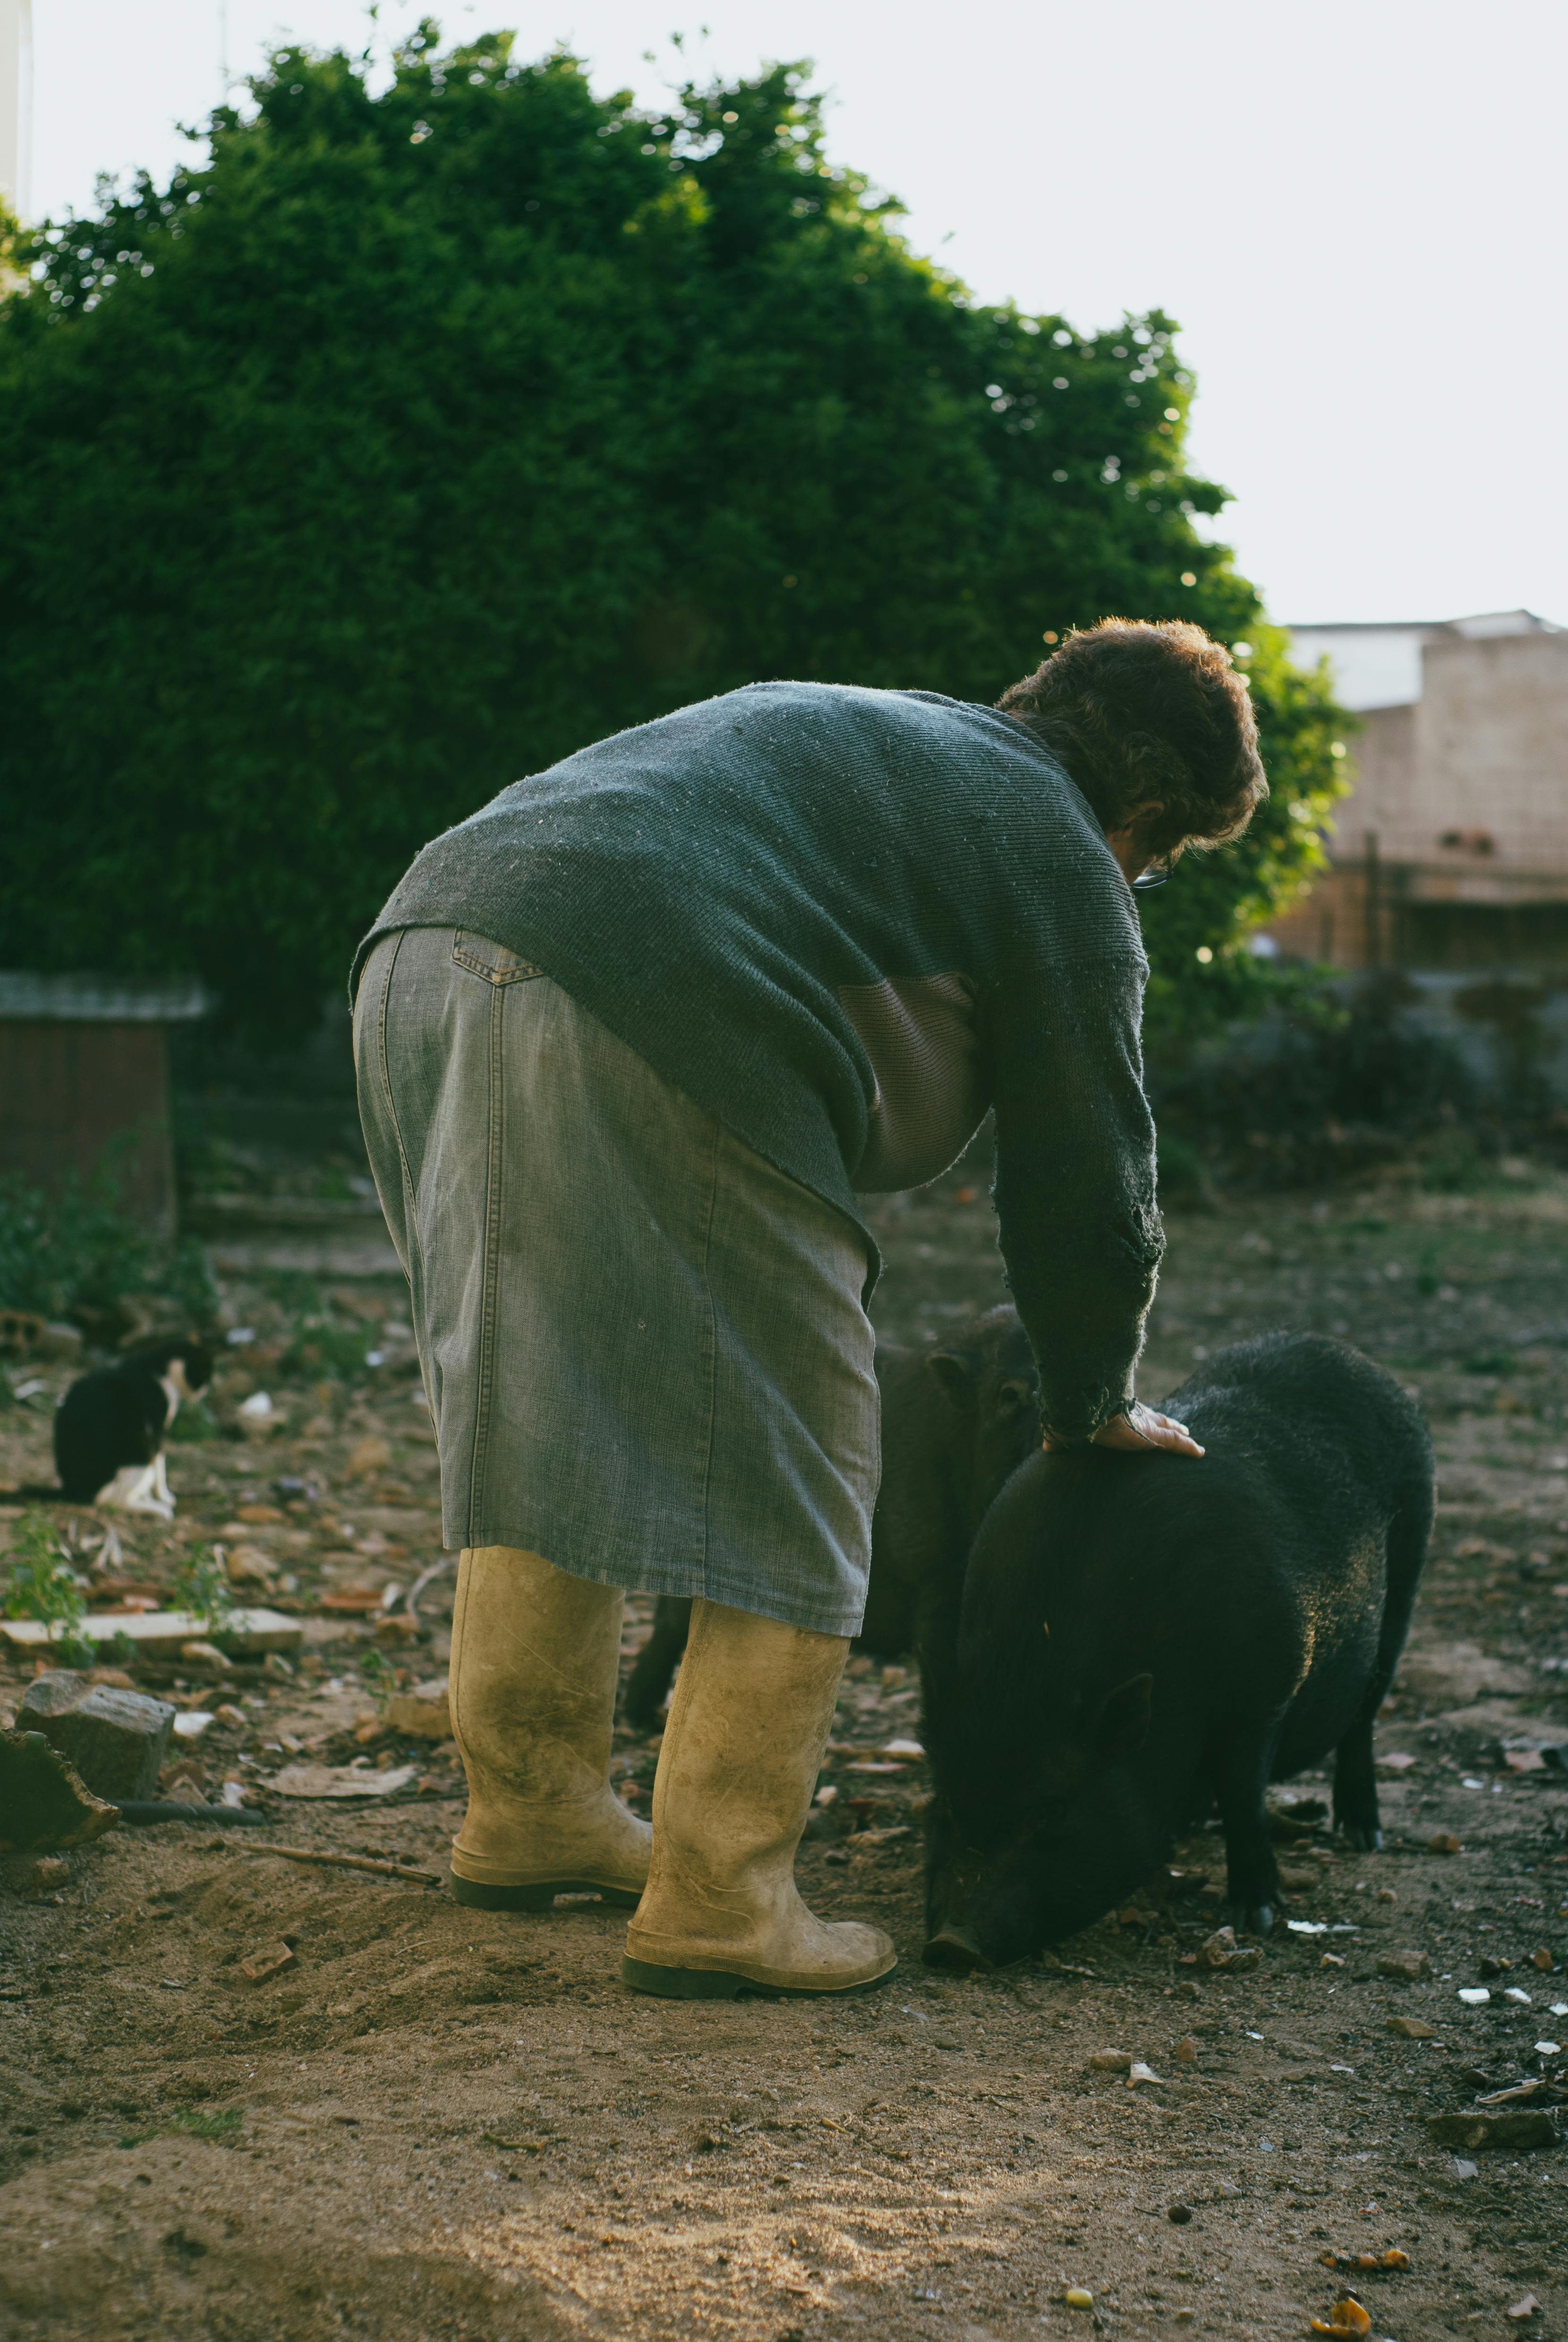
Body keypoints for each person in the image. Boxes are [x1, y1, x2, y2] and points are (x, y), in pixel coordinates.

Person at [350, 616, 1265, 2000]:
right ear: (1147, 812)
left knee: (546, 1397)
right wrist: (1091, 1401)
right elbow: (1089, 1175)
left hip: (427, 942)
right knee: (813, 1459)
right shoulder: (1065, 851)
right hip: (657, 987)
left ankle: (528, 1807)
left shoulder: (880, 731)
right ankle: (725, 1893)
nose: (1144, 873)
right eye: (1165, 851)